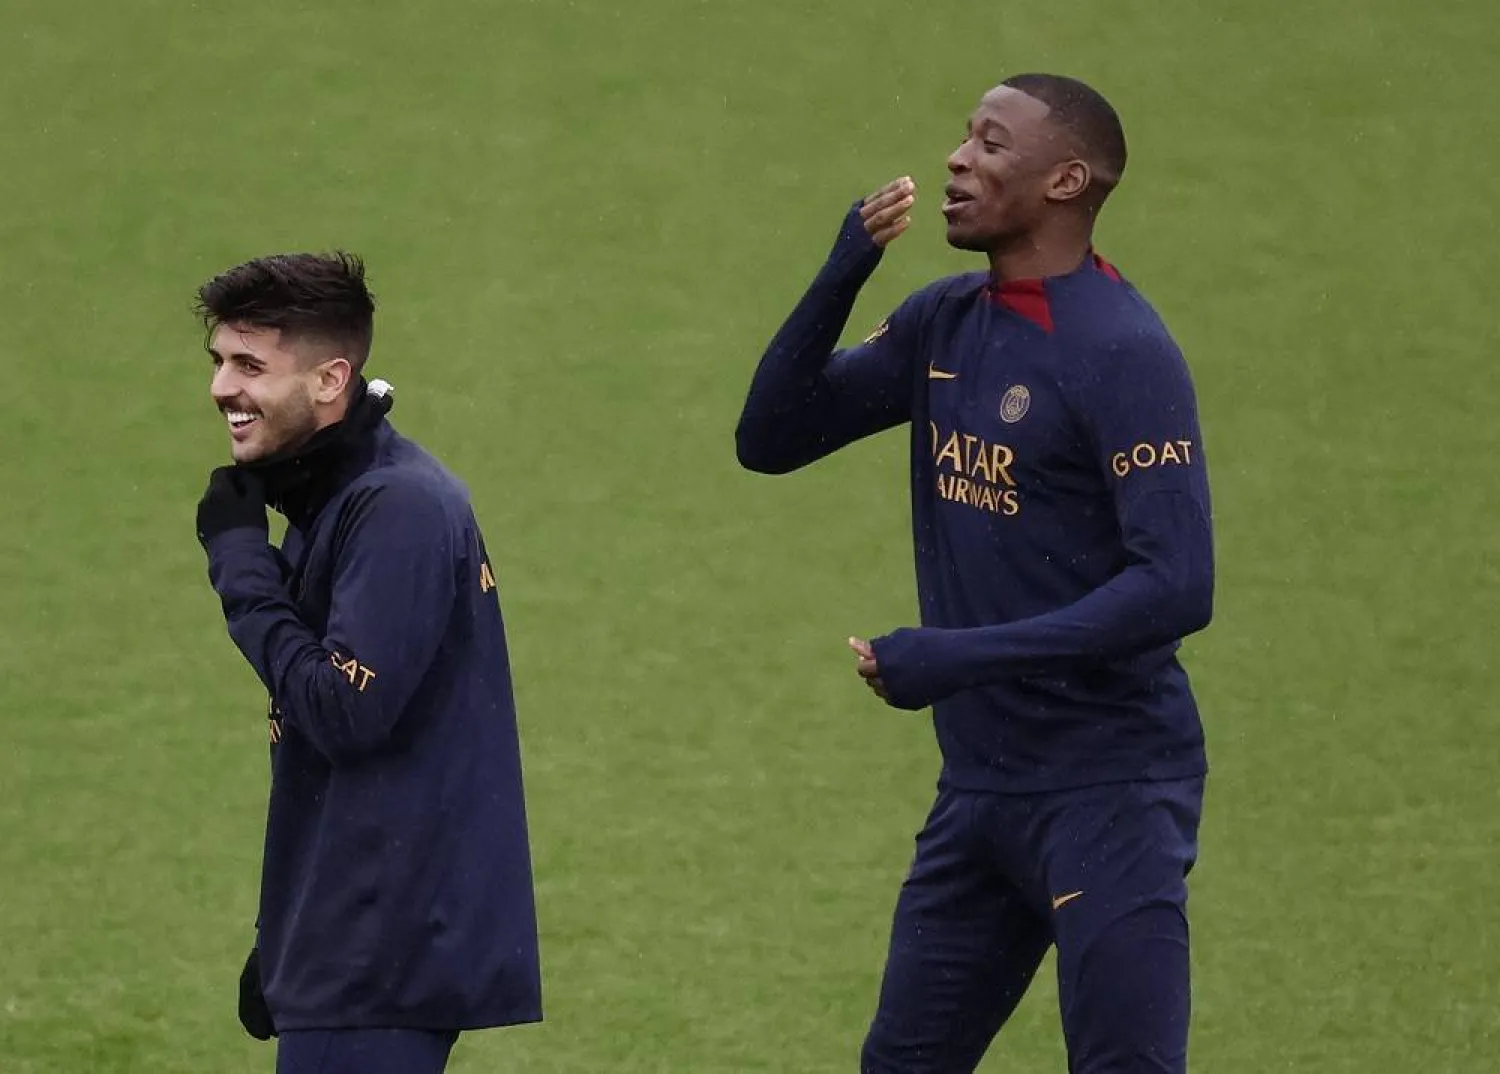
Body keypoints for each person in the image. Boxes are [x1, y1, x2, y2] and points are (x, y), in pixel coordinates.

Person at [735, 74, 1215, 1073]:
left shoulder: (1125, 351)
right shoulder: (946, 323)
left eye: (992, 145)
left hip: (1109, 794)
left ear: (1066, 180)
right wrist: (841, 274)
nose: (958, 159)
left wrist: (956, 658)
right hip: (981, 798)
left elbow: (1177, 586)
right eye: (965, 138)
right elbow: (770, 438)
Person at [192, 252, 542, 1074]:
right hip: (347, 933)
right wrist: (287, 933)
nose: (222, 390)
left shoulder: (399, 509)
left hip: (381, 950)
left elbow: (345, 710)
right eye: (219, 363)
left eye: (250, 365)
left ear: (330, 379)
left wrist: (243, 563)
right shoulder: (340, 495)